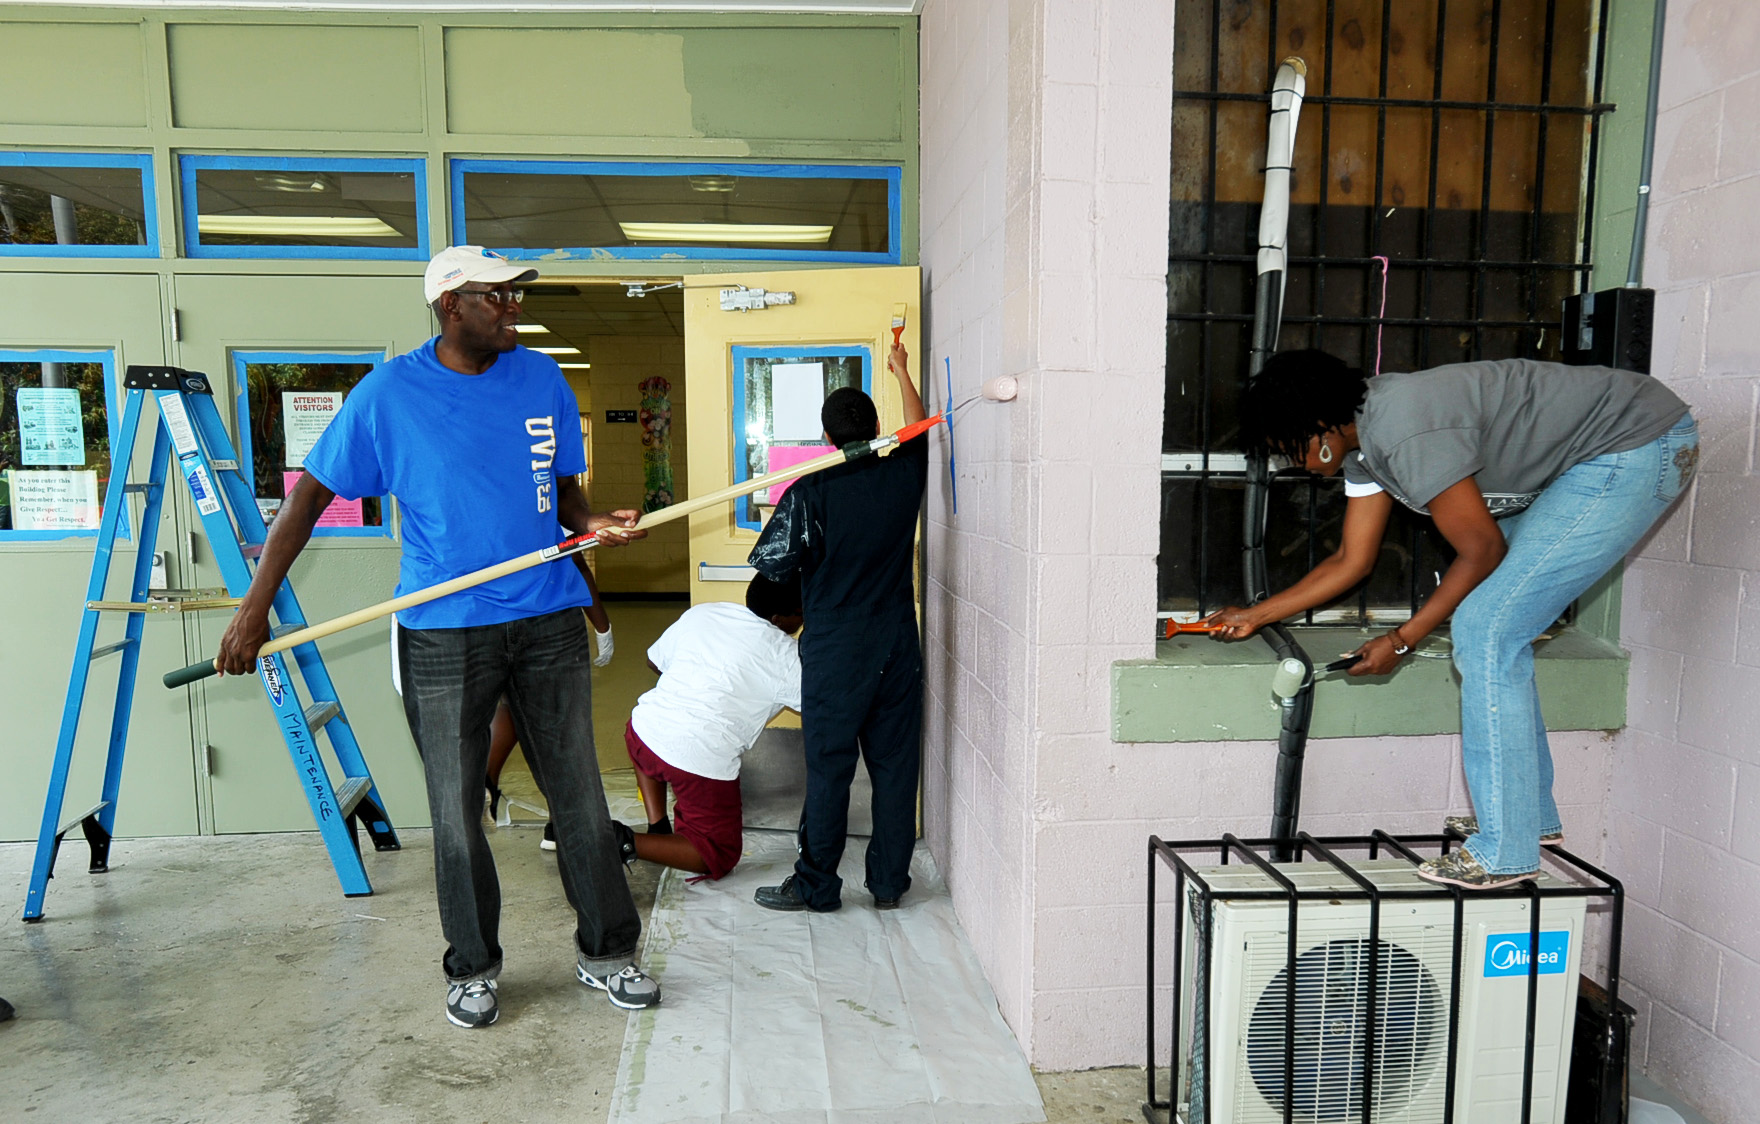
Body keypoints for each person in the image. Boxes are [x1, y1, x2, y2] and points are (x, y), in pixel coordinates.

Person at [216, 245, 661, 1028]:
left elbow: (562, 496)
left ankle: (610, 953)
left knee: (581, 797)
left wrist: (593, 526)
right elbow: (307, 499)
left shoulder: (542, 379)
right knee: (456, 811)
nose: (513, 308)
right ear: (452, 307)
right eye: (497, 297)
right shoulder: (389, 395)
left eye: (514, 296)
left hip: (547, 615)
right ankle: (473, 968)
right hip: (446, 629)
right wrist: (255, 610)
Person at [1204, 349, 1697, 890]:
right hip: (1595, 454)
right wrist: (1256, 614)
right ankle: (1524, 819)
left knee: (1487, 628)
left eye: (1286, 448)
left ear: (1318, 426)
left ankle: (1505, 850)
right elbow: (1353, 559)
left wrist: (1403, 638)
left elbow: (1481, 550)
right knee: (1497, 629)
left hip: (1634, 444)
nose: (1289, 462)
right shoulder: (1364, 445)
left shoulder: (1405, 430)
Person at [747, 342, 927, 912]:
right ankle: (889, 885)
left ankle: (817, 885)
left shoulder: (809, 491)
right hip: (897, 642)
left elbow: (769, 576)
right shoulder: (906, 469)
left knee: (829, 770)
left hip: (835, 650)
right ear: (875, 426)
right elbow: (919, 426)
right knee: (896, 768)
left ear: (827, 439)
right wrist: (900, 370)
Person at [612, 574, 804, 879]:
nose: (803, 620)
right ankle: (623, 842)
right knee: (717, 853)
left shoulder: (706, 612)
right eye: (801, 614)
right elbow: (819, 707)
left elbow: (654, 661)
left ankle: (658, 825)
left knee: (651, 734)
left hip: (642, 733)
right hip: (698, 760)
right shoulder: (787, 655)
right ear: (779, 619)